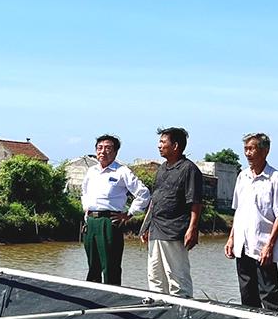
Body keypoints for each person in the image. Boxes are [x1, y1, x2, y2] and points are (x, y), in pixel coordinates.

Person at [224, 132, 278, 311]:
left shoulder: (276, 179)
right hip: (242, 245)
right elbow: (238, 211)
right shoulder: (242, 177)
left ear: (265, 151)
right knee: (247, 294)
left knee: (269, 295)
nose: (248, 153)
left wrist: (270, 246)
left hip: (262, 247)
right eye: (245, 149)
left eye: (252, 149)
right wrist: (231, 238)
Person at [140, 127, 204, 297]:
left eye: (163, 142)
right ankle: (158, 307)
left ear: (175, 146)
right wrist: (146, 226)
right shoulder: (162, 169)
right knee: (155, 276)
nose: (159, 146)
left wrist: (192, 229)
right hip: (156, 229)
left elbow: (195, 202)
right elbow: (155, 199)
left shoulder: (189, 169)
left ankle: (183, 307)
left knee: (177, 276)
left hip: (175, 230)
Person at [80, 134, 151, 285]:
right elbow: (84, 192)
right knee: (93, 266)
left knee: (110, 266)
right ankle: (92, 295)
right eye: (99, 148)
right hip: (91, 222)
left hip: (109, 222)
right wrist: (86, 212)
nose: (103, 152)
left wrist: (129, 214)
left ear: (115, 152)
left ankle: (113, 296)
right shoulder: (91, 171)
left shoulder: (122, 171)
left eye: (108, 148)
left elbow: (143, 194)